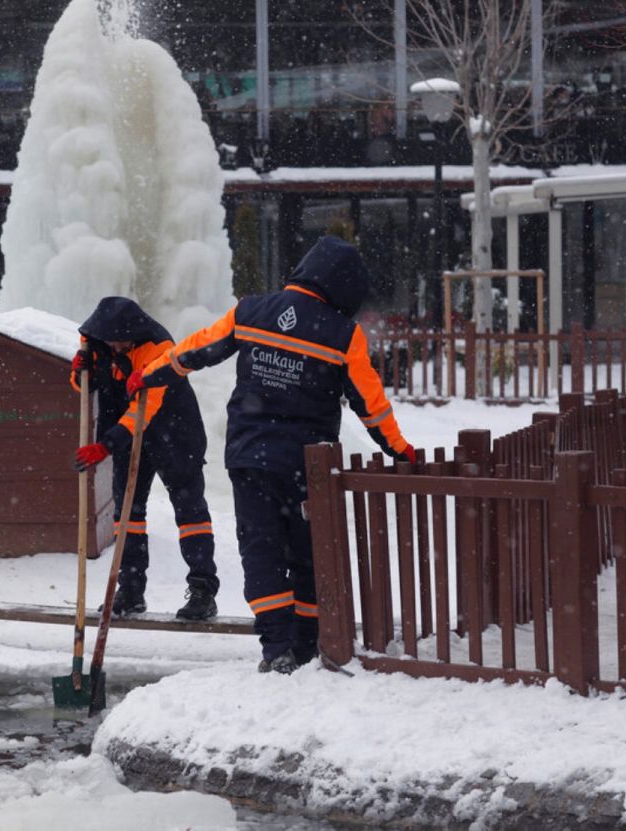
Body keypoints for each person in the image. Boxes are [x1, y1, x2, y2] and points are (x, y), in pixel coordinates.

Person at [128, 236, 417, 673]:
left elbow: (195, 351)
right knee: (307, 554)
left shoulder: (251, 312)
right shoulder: (343, 334)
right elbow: (371, 404)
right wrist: (399, 450)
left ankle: (276, 647)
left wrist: (148, 375)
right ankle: (305, 644)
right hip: (309, 468)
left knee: (260, 551)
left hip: (250, 460)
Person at [71, 297, 220, 621]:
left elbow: (144, 409)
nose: (116, 346)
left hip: (175, 435)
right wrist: (80, 372)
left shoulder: (158, 347)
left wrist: (106, 445)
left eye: (121, 341)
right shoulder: (96, 342)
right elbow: (88, 384)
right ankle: (130, 590)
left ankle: (202, 591)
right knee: (129, 515)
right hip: (128, 439)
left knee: (190, 513)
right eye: (110, 341)